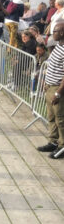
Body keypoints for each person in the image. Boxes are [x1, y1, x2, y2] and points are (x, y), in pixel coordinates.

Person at [37, 21, 64, 159]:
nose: (53, 34)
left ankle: (62, 146)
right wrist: (46, 83)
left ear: (62, 33)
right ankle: (53, 141)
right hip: (50, 86)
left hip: (58, 89)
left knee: (60, 119)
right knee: (51, 117)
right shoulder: (57, 46)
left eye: (55, 31)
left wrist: (59, 92)